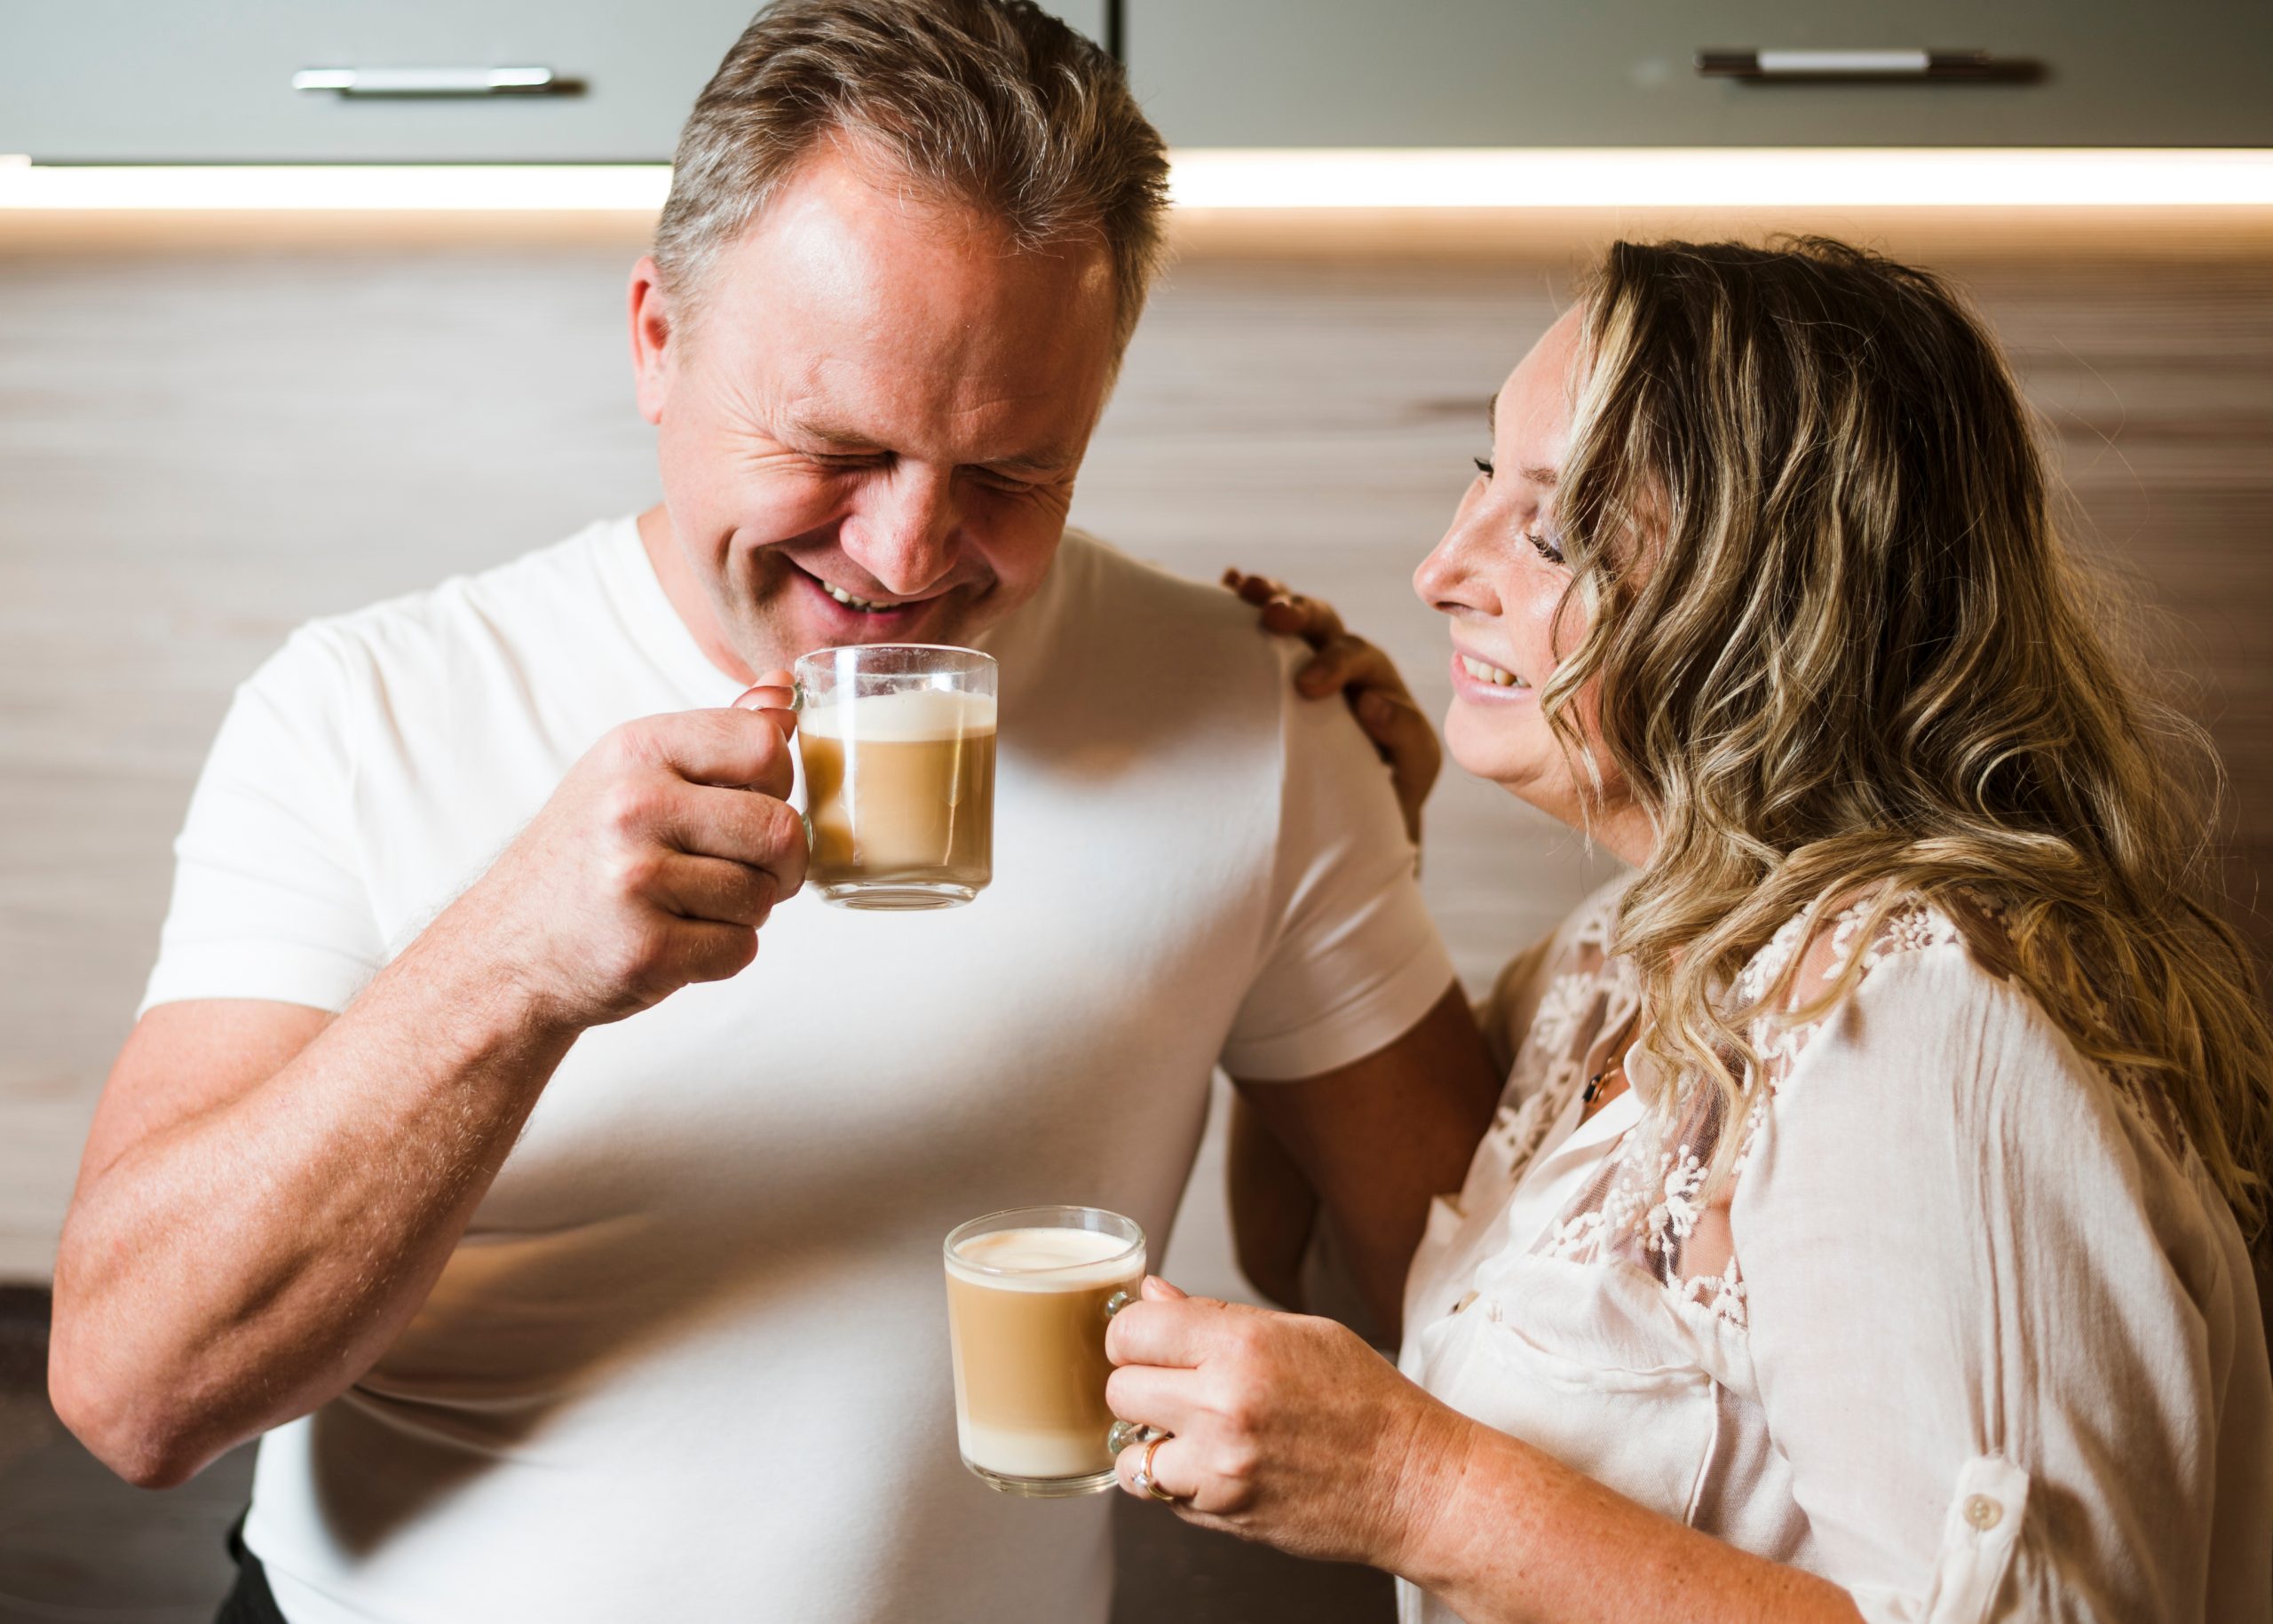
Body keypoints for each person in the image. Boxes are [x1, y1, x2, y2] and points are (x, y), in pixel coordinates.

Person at [44, 4, 1501, 1621]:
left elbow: (1500, 1319)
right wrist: (507, 964)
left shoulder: (1254, 715)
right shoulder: (361, 708)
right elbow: (133, 1395)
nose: (905, 555)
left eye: (1014, 471)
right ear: (659, 339)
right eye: (838, 447)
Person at [1106, 238, 2273, 1622]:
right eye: (1485, 475)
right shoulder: (1613, 960)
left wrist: (1418, 1488)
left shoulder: (1918, 1018)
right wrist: (1343, 857)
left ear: (1774, 608)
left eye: (1553, 527)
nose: (1440, 569)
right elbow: (1341, 1262)